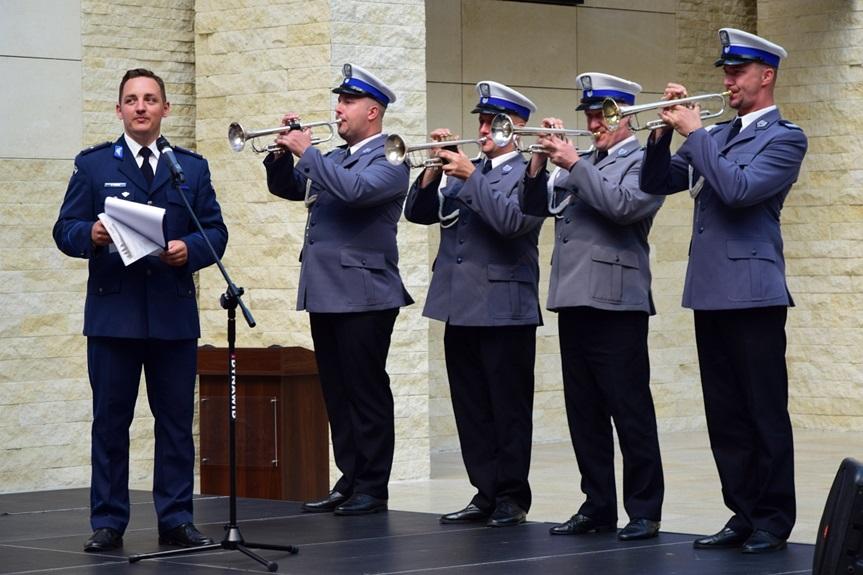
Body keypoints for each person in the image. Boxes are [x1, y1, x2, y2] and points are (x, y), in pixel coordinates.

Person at [640, 28, 807, 553]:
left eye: (738, 72)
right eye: (727, 73)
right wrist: (662, 134)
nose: (729, 81)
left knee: (763, 411)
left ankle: (773, 519)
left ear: (766, 75)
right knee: (726, 413)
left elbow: (738, 191)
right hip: (711, 289)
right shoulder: (717, 133)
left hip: (755, 293)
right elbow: (656, 183)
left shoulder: (786, 137)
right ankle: (743, 510)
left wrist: (695, 133)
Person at [53, 68, 228, 552]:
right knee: (111, 424)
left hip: (172, 316)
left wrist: (189, 250)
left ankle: (177, 519)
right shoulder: (93, 166)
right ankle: (108, 521)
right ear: (119, 110)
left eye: (150, 99)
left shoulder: (189, 168)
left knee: (175, 424)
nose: (141, 107)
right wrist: (90, 234)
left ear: (165, 108)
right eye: (131, 100)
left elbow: (215, 231)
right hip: (115, 316)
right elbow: (64, 228)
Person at [520, 73, 665, 541]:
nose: (594, 123)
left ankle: (644, 509)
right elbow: (534, 208)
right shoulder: (581, 162)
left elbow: (624, 207)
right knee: (583, 411)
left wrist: (575, 163)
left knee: (629, 409)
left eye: (604, 115)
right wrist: (538, 163)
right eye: (589, 115)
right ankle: (597, 504)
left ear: (626, 116)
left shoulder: (644, 161)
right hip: (574, 296)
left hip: (617, 301)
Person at [263, 64, 412, 516]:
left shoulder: (390, 158)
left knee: (365, 391)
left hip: (365, 294)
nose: (338, 109)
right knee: (337, 390)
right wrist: (282, 155)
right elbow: (291, 188)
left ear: (373, 111)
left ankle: (373, 485)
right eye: (339, 101)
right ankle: (350, 477)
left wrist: (308, 151)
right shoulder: (337, 158)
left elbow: (353, 192)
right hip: (327, 290)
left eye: (347, 102)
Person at [404, 81, 543, 528]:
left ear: (517, 127)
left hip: (505, 305)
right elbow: (418, 213)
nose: (483, 130)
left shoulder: (530, 172)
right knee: (471, 406)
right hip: (459, 302)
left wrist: (469, 175)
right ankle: (485, 491)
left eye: (492, 122)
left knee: (508, 406)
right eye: (481, 122)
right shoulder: (469, 170)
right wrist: (432, 172)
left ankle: (512, 496)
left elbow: (512, 222)